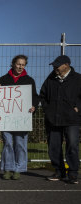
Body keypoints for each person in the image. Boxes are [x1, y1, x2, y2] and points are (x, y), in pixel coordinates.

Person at [0, 55, 38, 180]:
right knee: (7, 143)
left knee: (20, 144)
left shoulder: (29, 80)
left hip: (22, 118)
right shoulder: (4, 78)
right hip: (7, 118)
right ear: (13, 64)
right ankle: (7, 169)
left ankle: (18, 169)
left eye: (23, 64)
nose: (20, 66)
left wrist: (33, 106)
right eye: (18, 64)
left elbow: (35, 96)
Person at [39, 55, 81, 184]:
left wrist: (78, 107)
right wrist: (48, 109)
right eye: (54, 65)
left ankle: (73, 173)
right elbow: (42, 95)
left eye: (57, 65)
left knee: (72, 145)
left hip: (72, 119)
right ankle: (59, 171)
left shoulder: (78, 79)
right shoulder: (50, 79)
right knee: (54, 146)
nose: (55, 67)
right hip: (53, 119)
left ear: (66, 65)